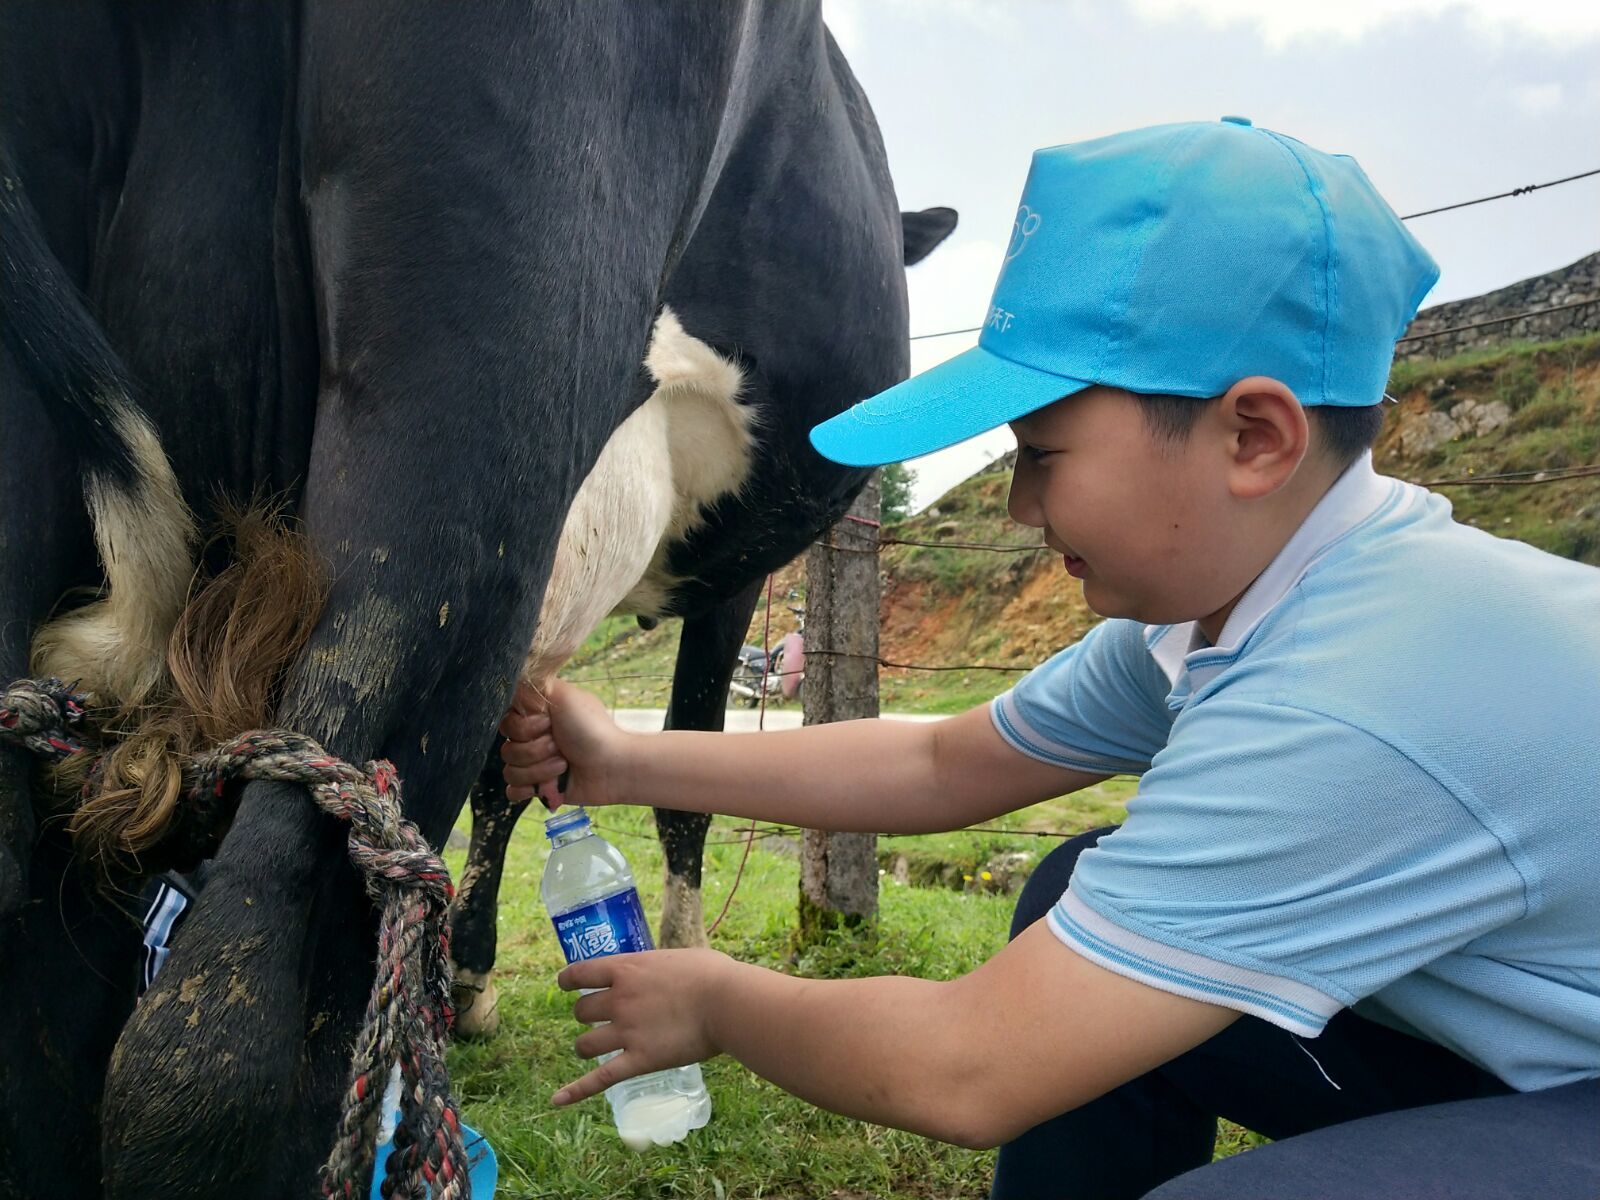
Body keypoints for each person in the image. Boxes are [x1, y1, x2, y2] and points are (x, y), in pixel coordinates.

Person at [499, 118, 1600, 1199]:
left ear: (1252, 439)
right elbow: (945, 766)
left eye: (1041, 453)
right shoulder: (1221, 610)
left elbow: (967, 1066)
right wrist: (622, 764)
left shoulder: (1354, 698)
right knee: (1078, 893)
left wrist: (716, 1005)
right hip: (1518, 1052)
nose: (1021, 504)